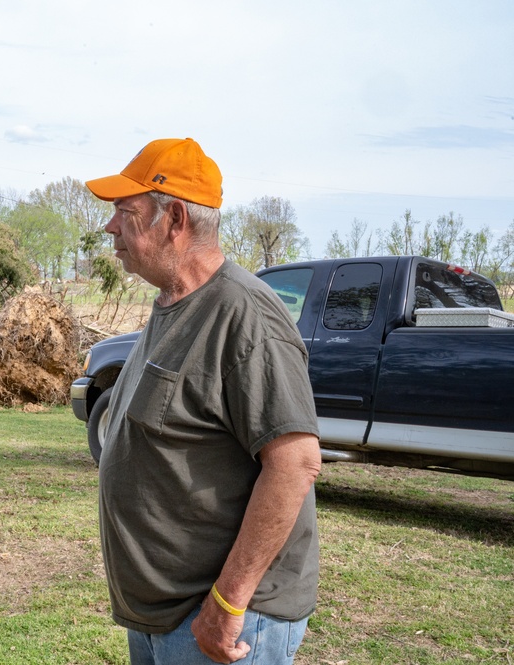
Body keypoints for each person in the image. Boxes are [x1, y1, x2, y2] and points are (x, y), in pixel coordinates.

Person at [85, 138, 322, 665]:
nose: (110, 227)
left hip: (222, 620)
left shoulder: (245, 316)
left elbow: (295, 464)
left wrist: (227, 600)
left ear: (173, 219)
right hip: (166, 616)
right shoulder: (172, 303)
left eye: (125, 212)